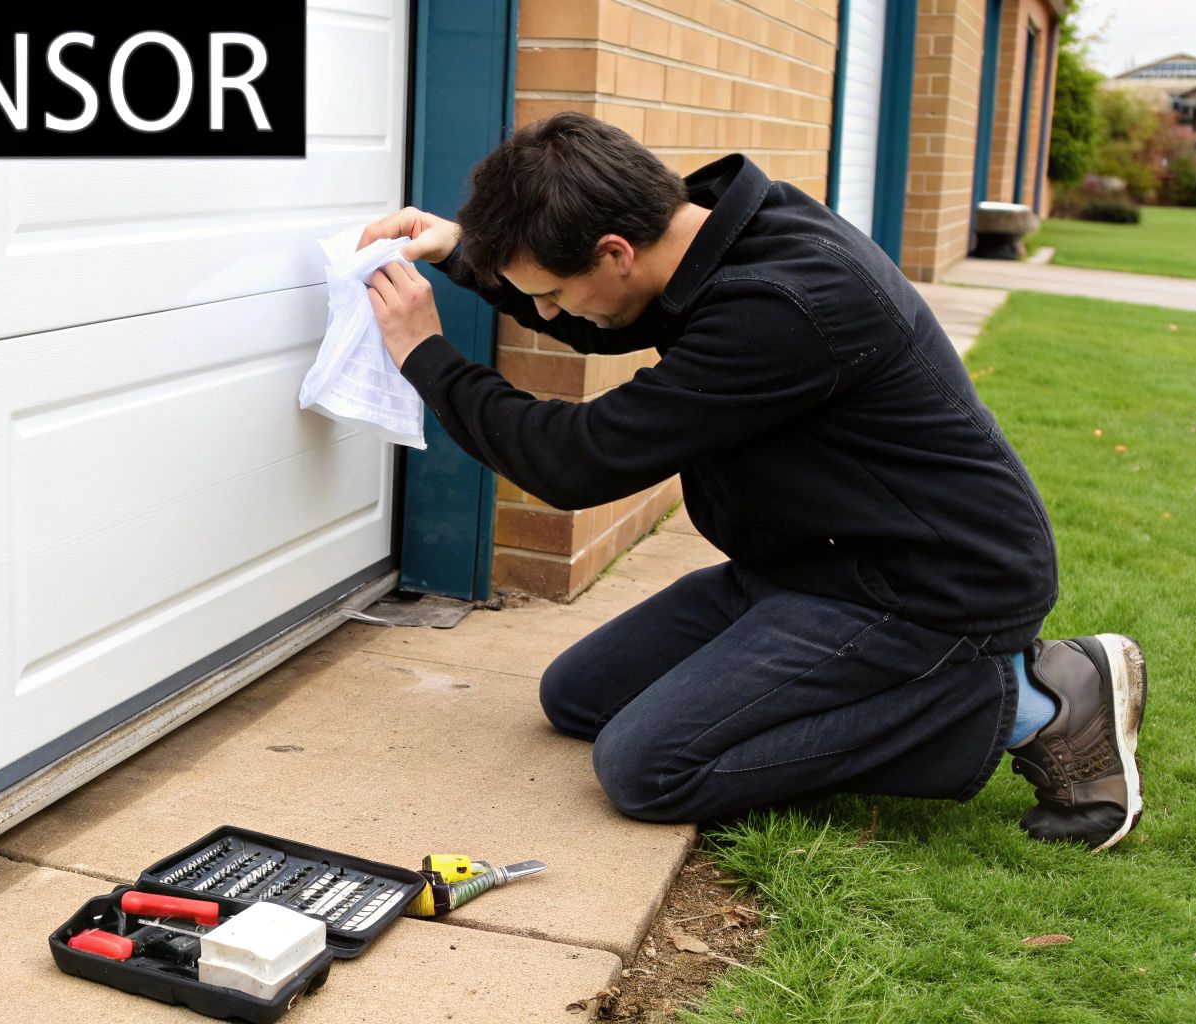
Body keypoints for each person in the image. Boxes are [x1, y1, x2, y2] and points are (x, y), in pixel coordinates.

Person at [356, 112, 1149, 852]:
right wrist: (466, 251)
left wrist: (427, 355)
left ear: (614, 251)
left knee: (647, 768)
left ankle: (1029, 704)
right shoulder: (714, 232)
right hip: (809, 563)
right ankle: (945, 683)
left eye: (551, 295)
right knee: (579, 697)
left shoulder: (787, 304)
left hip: (926, 585)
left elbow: (576, 461)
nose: (548, 310)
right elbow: (611, 318)